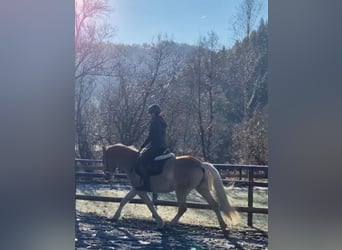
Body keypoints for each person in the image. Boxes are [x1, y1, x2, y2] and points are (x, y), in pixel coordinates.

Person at [135, 104, 167, 191]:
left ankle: (146, 185)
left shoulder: (155, 122)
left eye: (151, 113)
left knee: (142, 161)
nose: (150, 115)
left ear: (153, 113)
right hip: (163, 146)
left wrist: (142, 146)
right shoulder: (161, 121)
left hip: (156, 146)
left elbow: (150, 136)